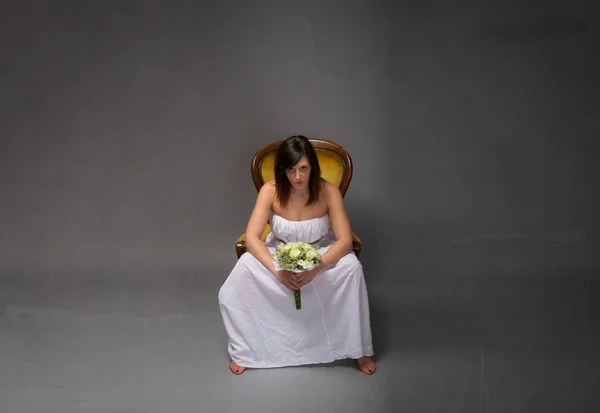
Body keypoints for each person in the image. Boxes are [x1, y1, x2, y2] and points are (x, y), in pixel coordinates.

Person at [218, 135, 376, 375]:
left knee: (352, 268)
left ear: (313, 167)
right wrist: (277, 271)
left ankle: (358, 348)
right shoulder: (270, 191)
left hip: (320, 251)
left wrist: (316, 268)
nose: (298, 177)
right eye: (291, 170)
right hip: (279, 252)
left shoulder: (328, 192)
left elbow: (344, 241)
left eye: (304, 168)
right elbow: (252, 237)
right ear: (282, 169)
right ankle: (247, 350)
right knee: (241, 275)